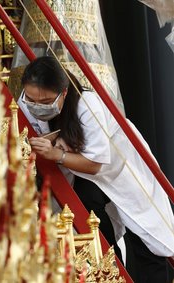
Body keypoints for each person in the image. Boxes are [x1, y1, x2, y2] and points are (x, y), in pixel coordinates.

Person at [19, 56, 174, 282]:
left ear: (64, 93)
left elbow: (95, 164)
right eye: (32, 99)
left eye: (46, 101)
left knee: (146, 238)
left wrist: (58, 154)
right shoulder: (26, 103)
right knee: (91, 219)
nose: (37, 107)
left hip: (122, 169)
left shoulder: (87, 105)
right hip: (84, 175)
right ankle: (114, 270)